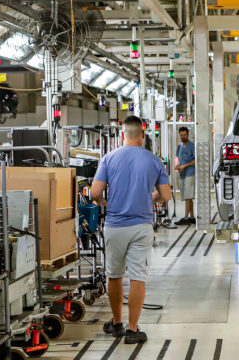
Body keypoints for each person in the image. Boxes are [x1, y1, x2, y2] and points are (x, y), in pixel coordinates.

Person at [91, 115, 172, 344]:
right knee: (138, 278)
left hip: (115, 226)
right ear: (143, 136)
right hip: (141, 226)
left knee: (114, 275)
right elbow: (166, 195)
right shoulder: (154, 161)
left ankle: (116, 324)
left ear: (123, 135)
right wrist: (148, 198)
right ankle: (133, 330)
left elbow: (95, 193)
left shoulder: (109, 158)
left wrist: (105, 203)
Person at [174, 126, 195, 225]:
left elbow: (195, 161)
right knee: (187, 196)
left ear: (188, 135)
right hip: (182, 173)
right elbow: (177, 157)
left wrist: (185, 165)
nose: (183, 137)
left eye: (184, 135)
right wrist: (177, 164)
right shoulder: (179, 146)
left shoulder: (192, 145)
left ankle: (186, 217)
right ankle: (191, 216)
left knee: (188, 195)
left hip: (190, 172)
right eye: (181, 135)